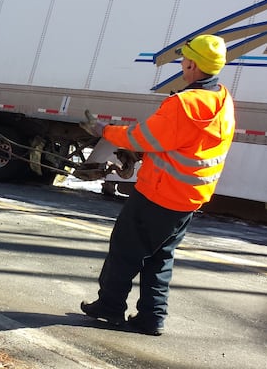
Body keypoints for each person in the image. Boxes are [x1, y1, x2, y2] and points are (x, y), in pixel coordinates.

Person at [80, 34, 236, 336]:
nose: (182, 62)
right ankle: (152, 317)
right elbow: (180, 143)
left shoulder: (184, 104)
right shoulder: (222, 99)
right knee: (160, 256)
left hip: (158, 194)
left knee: (125, 250)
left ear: (192, 65)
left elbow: (142, 137)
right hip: (188, 199)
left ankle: (110, 307)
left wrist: (104, 130)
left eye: (184, 58)